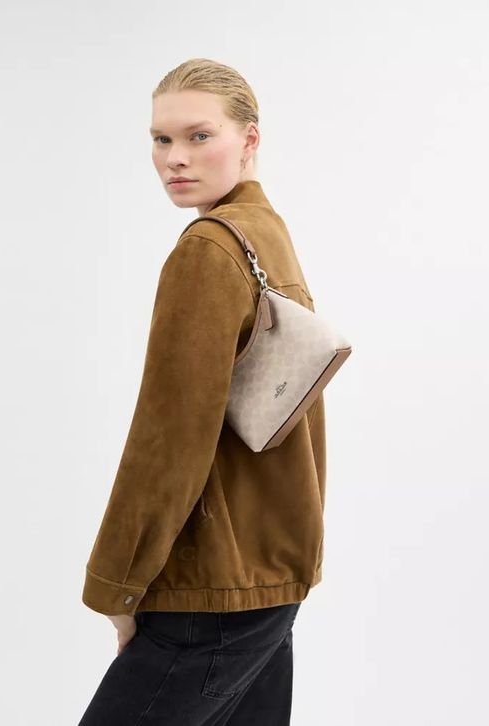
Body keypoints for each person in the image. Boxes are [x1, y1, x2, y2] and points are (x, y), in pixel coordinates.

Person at [78, 58, 328, 725]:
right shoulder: (266, 234)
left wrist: (117, 585)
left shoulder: (209, 251)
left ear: (250, 139)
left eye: (199, 136)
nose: (175, 158)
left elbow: (169, 439)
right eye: (161, 139)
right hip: (270, 576)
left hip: (210, 587)